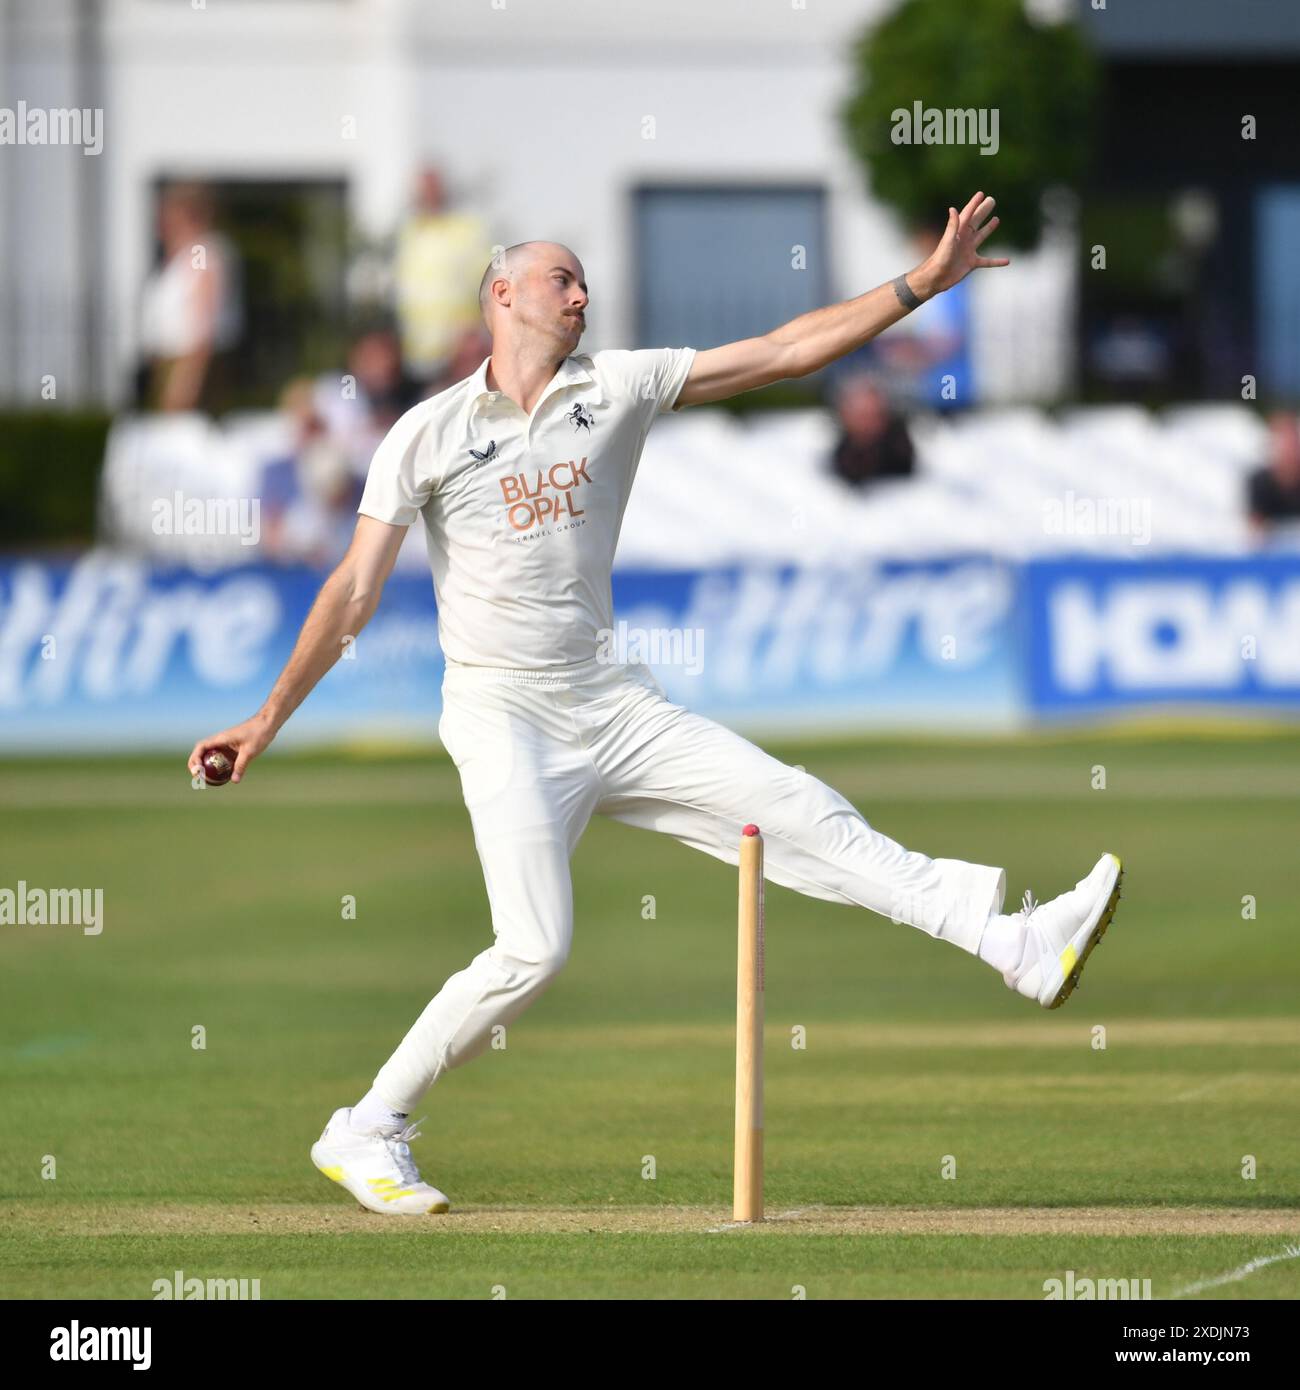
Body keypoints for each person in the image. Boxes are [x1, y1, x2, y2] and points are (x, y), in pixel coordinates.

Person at [188, 192, 1123, 1216]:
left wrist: (917, 286)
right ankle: (367, 1128)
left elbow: (780, 351)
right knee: (533, 948)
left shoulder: (617, 385)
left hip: (614, 703)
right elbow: (354, 590)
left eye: (587, 282)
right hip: (501, 712)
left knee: (798, 808)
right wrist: (265, 719)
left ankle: (1009, 940)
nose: (583, 295)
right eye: (563, 279)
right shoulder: (428, 432)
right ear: (502, 294)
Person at [136, 182, 243, 413]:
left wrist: (185, 382)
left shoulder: (203, 253)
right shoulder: (181, 257)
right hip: (175, 364)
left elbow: (202, 325)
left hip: (189, 366)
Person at [393, 167, 493, 386]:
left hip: (459, 350)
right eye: (422, 190)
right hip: (420, 351)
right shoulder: (409, 232)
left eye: (432, 189)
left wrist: (473, 332)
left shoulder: (467, 228)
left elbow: (486, 282)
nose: (427, 195)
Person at [829, 375, 914, 487]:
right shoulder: (838, 452)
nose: (867, 425)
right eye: (861, 417)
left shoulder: (899, 450)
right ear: (845, 416)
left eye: (874, 416)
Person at [1246, 411, 1300, 538]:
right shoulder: (1259, 481)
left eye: (1292, 442)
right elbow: (1255, 530)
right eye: (1282, 443)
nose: (1288, 449)